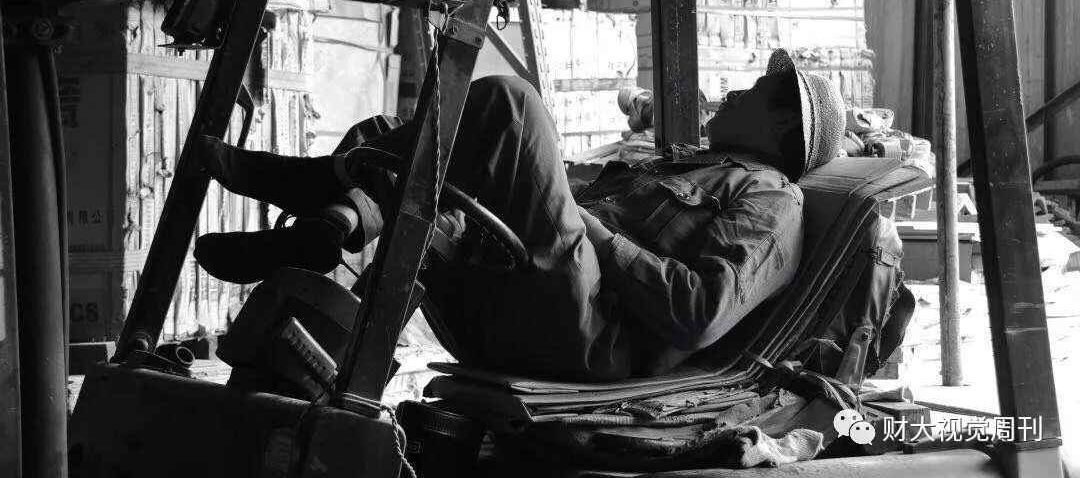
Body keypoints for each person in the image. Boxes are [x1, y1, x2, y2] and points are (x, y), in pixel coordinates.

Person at [194, 48, 845, 381]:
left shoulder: (772, 200)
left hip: (590, 330)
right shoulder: (676, 165)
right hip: (527, 287)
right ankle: (328, 235)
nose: (732, 90)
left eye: (754, 90)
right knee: (403, 144)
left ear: (782, 126)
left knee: (511, 105)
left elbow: (699, 310)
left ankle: (322, 195)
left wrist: (585, 224)